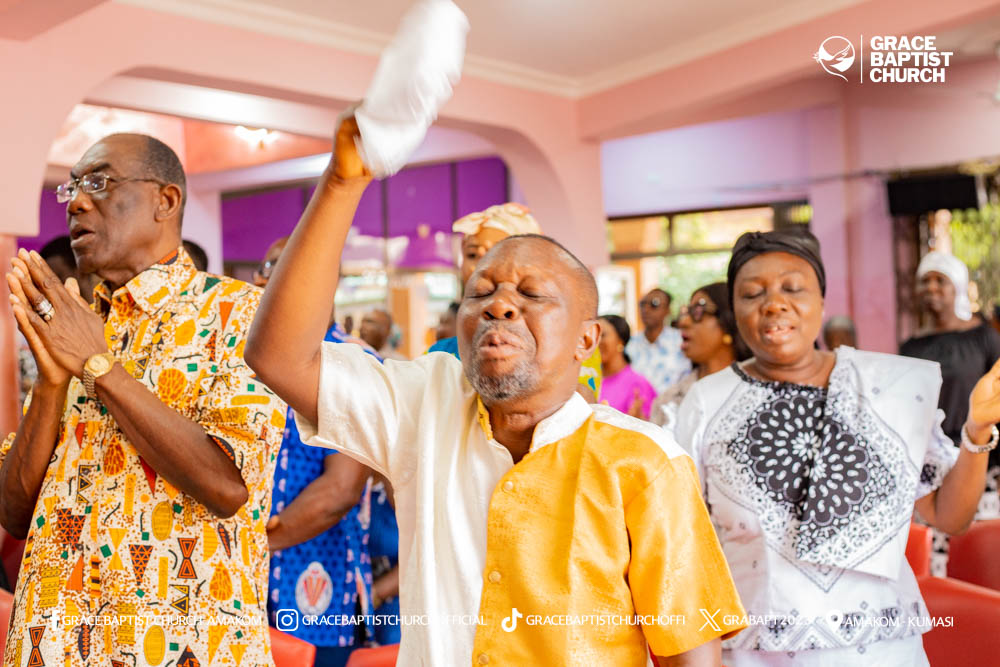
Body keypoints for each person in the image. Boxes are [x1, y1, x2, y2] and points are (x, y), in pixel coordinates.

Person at [246, 113, 746, 666]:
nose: (500, 304)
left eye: (532, 294)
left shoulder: (644, 462)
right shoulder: (423, 405)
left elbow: (689, 654)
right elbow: (278, 358)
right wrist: (342, 182)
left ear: (586, 339)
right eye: (480, 291)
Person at [0, 133, 285, 666]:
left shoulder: (240, 314)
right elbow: (14, 513)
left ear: (166, 201)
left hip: (182, 648)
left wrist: (99, 367)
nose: (76, 202)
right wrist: (51, 383)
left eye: (99, 183)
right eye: (72, 188)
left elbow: (228, 486)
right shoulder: (75, 323)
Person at [674, 230, 1000, 666]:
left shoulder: (887, 388)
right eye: (753, 294)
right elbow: (686, 546)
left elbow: (950, 517)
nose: (774, 304)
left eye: (793, 288)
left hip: (881, 653)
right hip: (754, 654)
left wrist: (977, 430)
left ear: (822, 302)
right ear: (735, 309)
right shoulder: (705, 402)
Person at [256, 236, 379, 667]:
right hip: (244, 577)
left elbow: (339, 491)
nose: (272, 279)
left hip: (318, 570)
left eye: (289, 267)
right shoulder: (245, 358)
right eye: (269, 267)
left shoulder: (352, 361)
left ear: (328, 281)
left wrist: (253, 546)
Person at [429, 203, 602, 401]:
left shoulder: (571, 342)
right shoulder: (439, 354)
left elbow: (580, 402)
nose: (481, 263)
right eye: (472, 254)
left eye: (498, 251)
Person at [899, 251, 1000, 574]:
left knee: (982, 554)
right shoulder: (910, 347)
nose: (931, 288)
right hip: (931, 470)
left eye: (940, 280)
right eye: (924, 281)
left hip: (982, 460)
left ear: (957, 285)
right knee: (936, 561)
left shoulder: (983, 338)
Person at [651, 282, 749, 428]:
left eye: (698, 311)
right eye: (685, 313)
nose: (683, 322)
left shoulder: (758, 392)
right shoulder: (669, 401)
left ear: (729, 320)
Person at [627, 288, 692, 394]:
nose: (646, 309)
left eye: (654, 304)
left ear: (668, 310)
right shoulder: (630, 344)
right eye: (642, 304)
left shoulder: (682, 341)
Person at [597, 314, 656, 419]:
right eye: (595, 335)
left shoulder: (638, 384)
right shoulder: (588, 379)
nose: (597, 341)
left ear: (620, 341)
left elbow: (651, 424)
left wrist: (639, 419)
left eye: (603, 335)